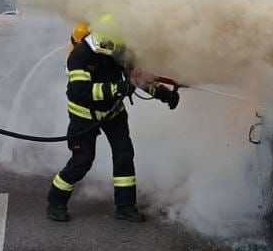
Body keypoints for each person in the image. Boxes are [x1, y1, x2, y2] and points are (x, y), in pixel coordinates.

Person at [46, 15, 178, 223]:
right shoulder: (81, 55)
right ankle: (56, 202)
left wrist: (164, 94)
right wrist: (117, 89)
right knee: (82, 161)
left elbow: (137, 78)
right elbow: (79, 92)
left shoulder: (120, 51)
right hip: (84, 116)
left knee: (124, 155)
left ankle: (125, 207)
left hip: (113, 113)